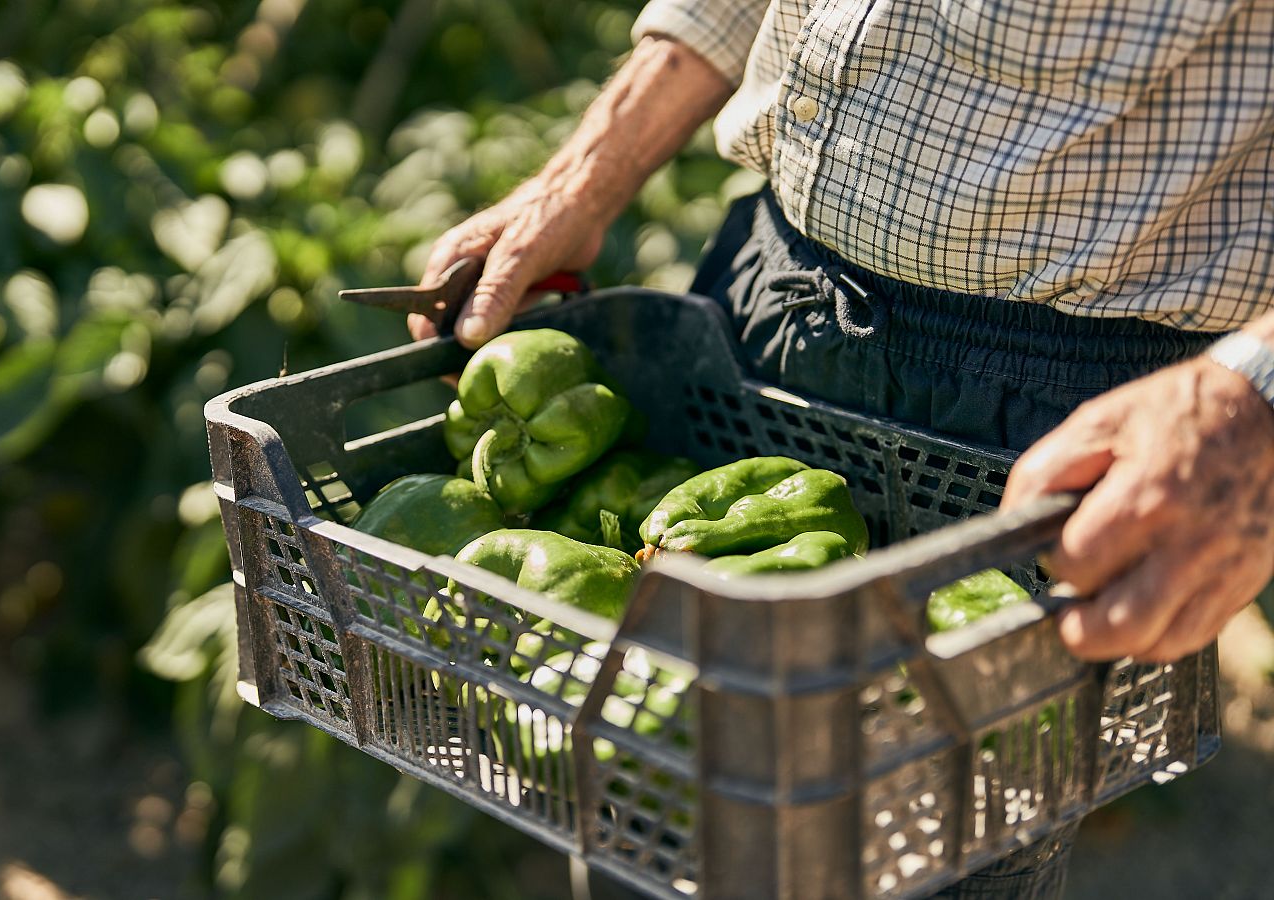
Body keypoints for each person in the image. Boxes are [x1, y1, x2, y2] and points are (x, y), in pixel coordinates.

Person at [409, 1, 1274, 896]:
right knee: (654, 826)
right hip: (765, 290)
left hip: (1059, 390)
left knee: (931, 849)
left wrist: (1255, 391)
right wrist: (589, 171)